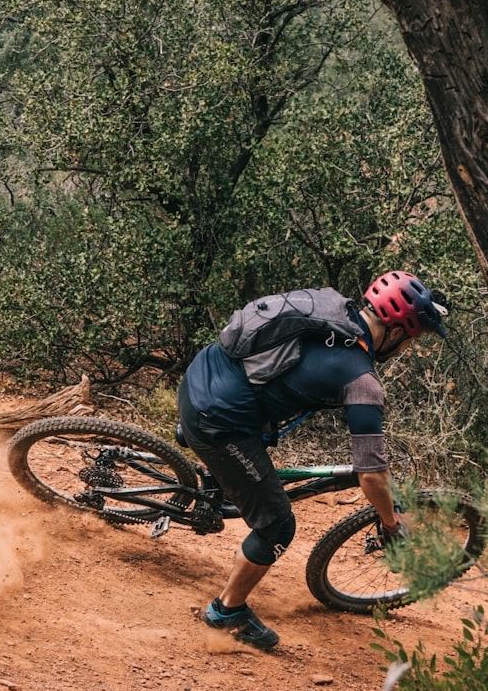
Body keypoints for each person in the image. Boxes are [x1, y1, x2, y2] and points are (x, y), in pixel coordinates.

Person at [177, 270, 448, 652]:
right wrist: (389, 521)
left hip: (199, 375)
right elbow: (371, 477)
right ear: (398, 331)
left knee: (246, 443)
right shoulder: (361, 379)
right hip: (217, 420)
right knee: (277, 526)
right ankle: (226, 612)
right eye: (411, 340)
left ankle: (195, 448)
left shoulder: (332, 308)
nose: (406, 350)